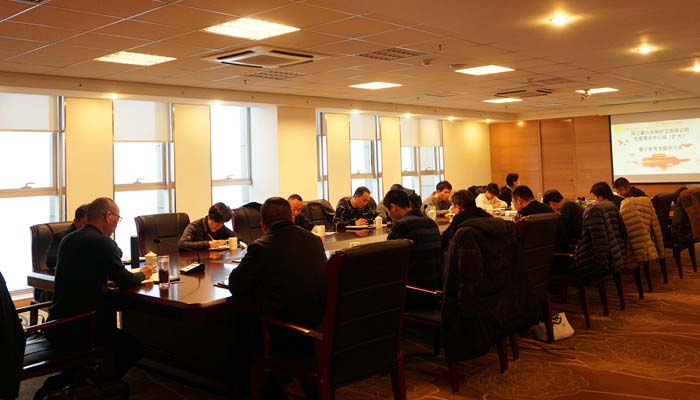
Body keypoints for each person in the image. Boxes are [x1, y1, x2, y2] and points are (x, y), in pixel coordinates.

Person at [228, 197, 327, 399]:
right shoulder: (314, 241)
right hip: (319, 325)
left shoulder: (261, 246)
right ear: (292, 218)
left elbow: (236, 284)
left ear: (263, 225)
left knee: (239, 326)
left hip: (287, 333)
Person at [46, 197, 154, 380]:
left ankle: (83, 375)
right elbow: (126, 280)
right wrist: (144, 273)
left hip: (58, 324)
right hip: (84, 328)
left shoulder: (67, 240)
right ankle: (99, 381)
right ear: (108, 216)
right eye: (118, 218)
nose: (117, 224)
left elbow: (84, 273)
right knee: (133, 348)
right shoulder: (102, 242)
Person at [383, 189, 441, 308]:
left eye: (388, 211)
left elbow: (390, 262)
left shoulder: (401, 226)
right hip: (435, 290)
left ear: (393, 207)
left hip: (413, 293)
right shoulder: (431, 222)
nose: (389, 215)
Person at [45, 204, 89, 271]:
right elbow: (50, 261)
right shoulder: (61, 236)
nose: (88, 227)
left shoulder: (96, 237)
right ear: (75, 221)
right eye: (85, 223)